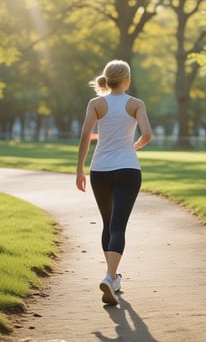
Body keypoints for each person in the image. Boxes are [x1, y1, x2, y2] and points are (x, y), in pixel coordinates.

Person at [76, 59, 152, 305]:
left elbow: (85, 136)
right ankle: (110, 277)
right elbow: (147, 134)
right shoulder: (135, 104)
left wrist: (79, 170)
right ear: (127, 80)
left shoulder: (96, 103)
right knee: (119, 225)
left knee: (108, 223)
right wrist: (135, 145)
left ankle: (112, 277)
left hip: (101, 171)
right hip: (129, 170)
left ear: (107, 80)